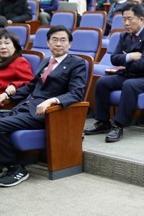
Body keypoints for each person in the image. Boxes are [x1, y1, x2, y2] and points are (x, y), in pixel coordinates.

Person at [0, 25, 86, 187]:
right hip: (25, 107)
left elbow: (76, 94)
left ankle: (17, 168)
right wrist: (6, 95)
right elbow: (31, 86)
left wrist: (52, 101)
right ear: (48, 43)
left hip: (44, 113)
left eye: (63, 40)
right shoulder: (46, 61)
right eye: (54, 40)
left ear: (70, 44)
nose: (58, 44)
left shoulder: (77, 63)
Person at [84, 3, 144, 142]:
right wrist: (130, 56)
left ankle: (118, 126)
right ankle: (103, 122)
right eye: (124, 19)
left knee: (129, 85)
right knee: (103, 82)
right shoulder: (124, 36)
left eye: (130, 19)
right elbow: (114, 59)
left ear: (141, 19)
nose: (126, 23)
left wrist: (124, 61)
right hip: (130, 74)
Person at [0, 29, 34, 94]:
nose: (3, 47)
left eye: (7, 43)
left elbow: (30, 82)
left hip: (5, 99)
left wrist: (14, 85)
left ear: (15, 46)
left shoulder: (19, 62)